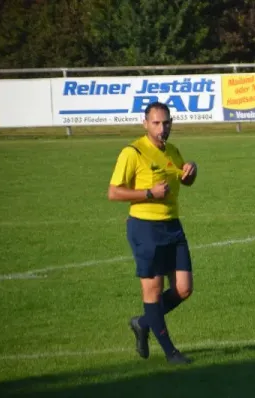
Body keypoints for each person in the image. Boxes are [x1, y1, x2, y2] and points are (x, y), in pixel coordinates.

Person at [108, 101, 198, 365]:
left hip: (172, 225)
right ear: (145, 123)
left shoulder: (172, 150)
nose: (162, 128)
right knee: (154, 291)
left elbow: (185, 180)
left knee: (184, 289)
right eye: (156, 123)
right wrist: (149, 193)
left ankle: (143, 322)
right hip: (145, 228)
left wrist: (191, 170)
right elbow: (114, 192)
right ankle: (171, 353)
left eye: (166, 122)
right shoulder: (133, 152)